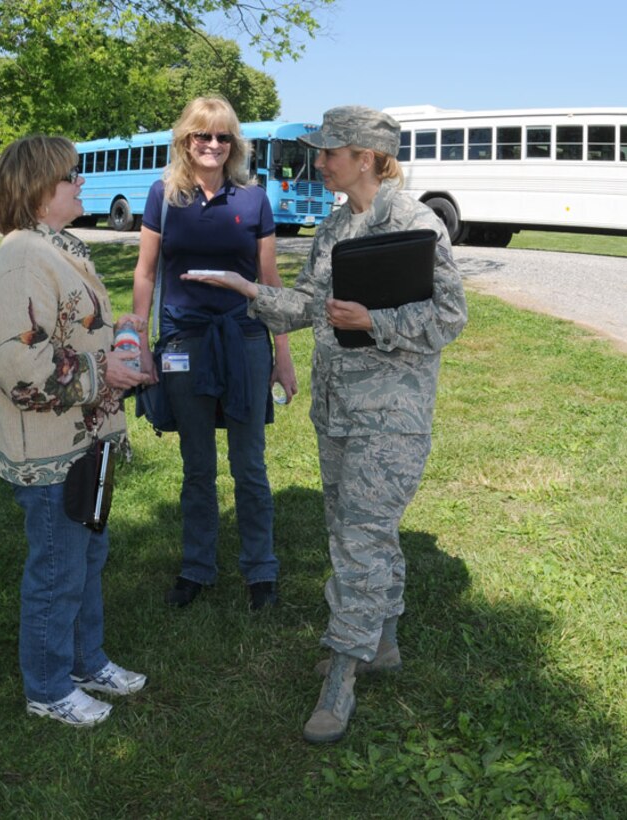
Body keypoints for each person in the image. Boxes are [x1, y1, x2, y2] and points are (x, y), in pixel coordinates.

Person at [184, 105, 468, 743]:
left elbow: (450, 318)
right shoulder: (335, 225)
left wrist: (376, 323)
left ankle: (341, 672)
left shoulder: (416, 223)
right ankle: (383, 642)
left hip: (390, 418)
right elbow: (309, 307)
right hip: (336, 410)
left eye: (329, 152)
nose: (319, 161)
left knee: (359, 541)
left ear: (364, 157)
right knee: (356, 528)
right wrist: (249, 291)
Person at [0, 135, 150, 727]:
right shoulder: (25, 255)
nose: (81, 183)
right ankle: (48, 689)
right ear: (40, 188)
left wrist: (113, 336)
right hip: (50, 446)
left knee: (86, 557)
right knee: (57, 569)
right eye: (72, 176)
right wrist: (107, 369)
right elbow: (17, 362)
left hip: (84, 437)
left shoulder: (58, 246)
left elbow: (66, 330)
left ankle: (84, 660)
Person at [132, 96, 298, 611]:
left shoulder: (254, 199)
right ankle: (197, 568)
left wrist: (283, 352)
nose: (213, 145)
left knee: (250, 465)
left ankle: (260, 572)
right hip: (182, 342)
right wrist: (139, 341)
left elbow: (269, 282)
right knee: (197, 465)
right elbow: (144, 271)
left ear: (235, 144)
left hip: (244, 339)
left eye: (223, 137)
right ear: (186, 140)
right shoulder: (164, 195)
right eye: (203, 136)